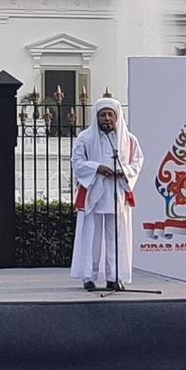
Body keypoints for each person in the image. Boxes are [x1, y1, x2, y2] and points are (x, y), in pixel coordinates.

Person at [70, 97, 144, 291]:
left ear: (117, 116)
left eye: (110, 114)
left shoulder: (129, 139)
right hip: (93, 193)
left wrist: (124, 171)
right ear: (97, 117)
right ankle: (89, 276)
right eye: (103, 115)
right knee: (92, 237)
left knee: (116, 237)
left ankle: (115, 277)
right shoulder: (85, 138)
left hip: (116, 193)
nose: (107, 119)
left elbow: (137, 162)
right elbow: (77, 163)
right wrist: (97, 168)